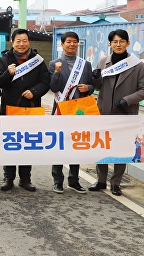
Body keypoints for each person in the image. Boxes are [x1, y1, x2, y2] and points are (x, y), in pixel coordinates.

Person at [89, 29, 144, 196]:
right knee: (101, 146)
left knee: (121, 149)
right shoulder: (103, 62)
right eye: (115, 42)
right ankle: (101, 180)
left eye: (121, 41)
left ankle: (116, 182)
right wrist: (95, 78)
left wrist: (128, 100)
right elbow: (98, 86)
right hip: (104, 113)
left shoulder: (137, 65)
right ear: (109, 44)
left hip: (126, 113)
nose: (118, 44)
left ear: (127, 43)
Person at [0, 28, 50, 192]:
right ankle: (8, 177)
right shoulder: (5, 59)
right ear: (12, 43)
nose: (21, 44)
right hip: (10, 108)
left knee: (28, 142)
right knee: (10, 143)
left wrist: (34, 92)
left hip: (30, 107)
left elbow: (46, 81)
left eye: (24, 41)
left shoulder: (38, 60)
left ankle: (25, 178)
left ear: (29, 42)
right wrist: (8, 74)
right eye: (18, 41)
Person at [48, 31, 94, 194]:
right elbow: (52, 88)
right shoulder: (54, 63)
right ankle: (57, 180)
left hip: (79, 111)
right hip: (61, 109)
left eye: (75, 42)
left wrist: (88, 88)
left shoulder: (85, 64)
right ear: (62, 44)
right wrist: (57, 73)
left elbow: (92, 85)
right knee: (59, 145)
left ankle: (74, 180)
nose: (72, 44)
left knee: (76, 145)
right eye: (68, 42)